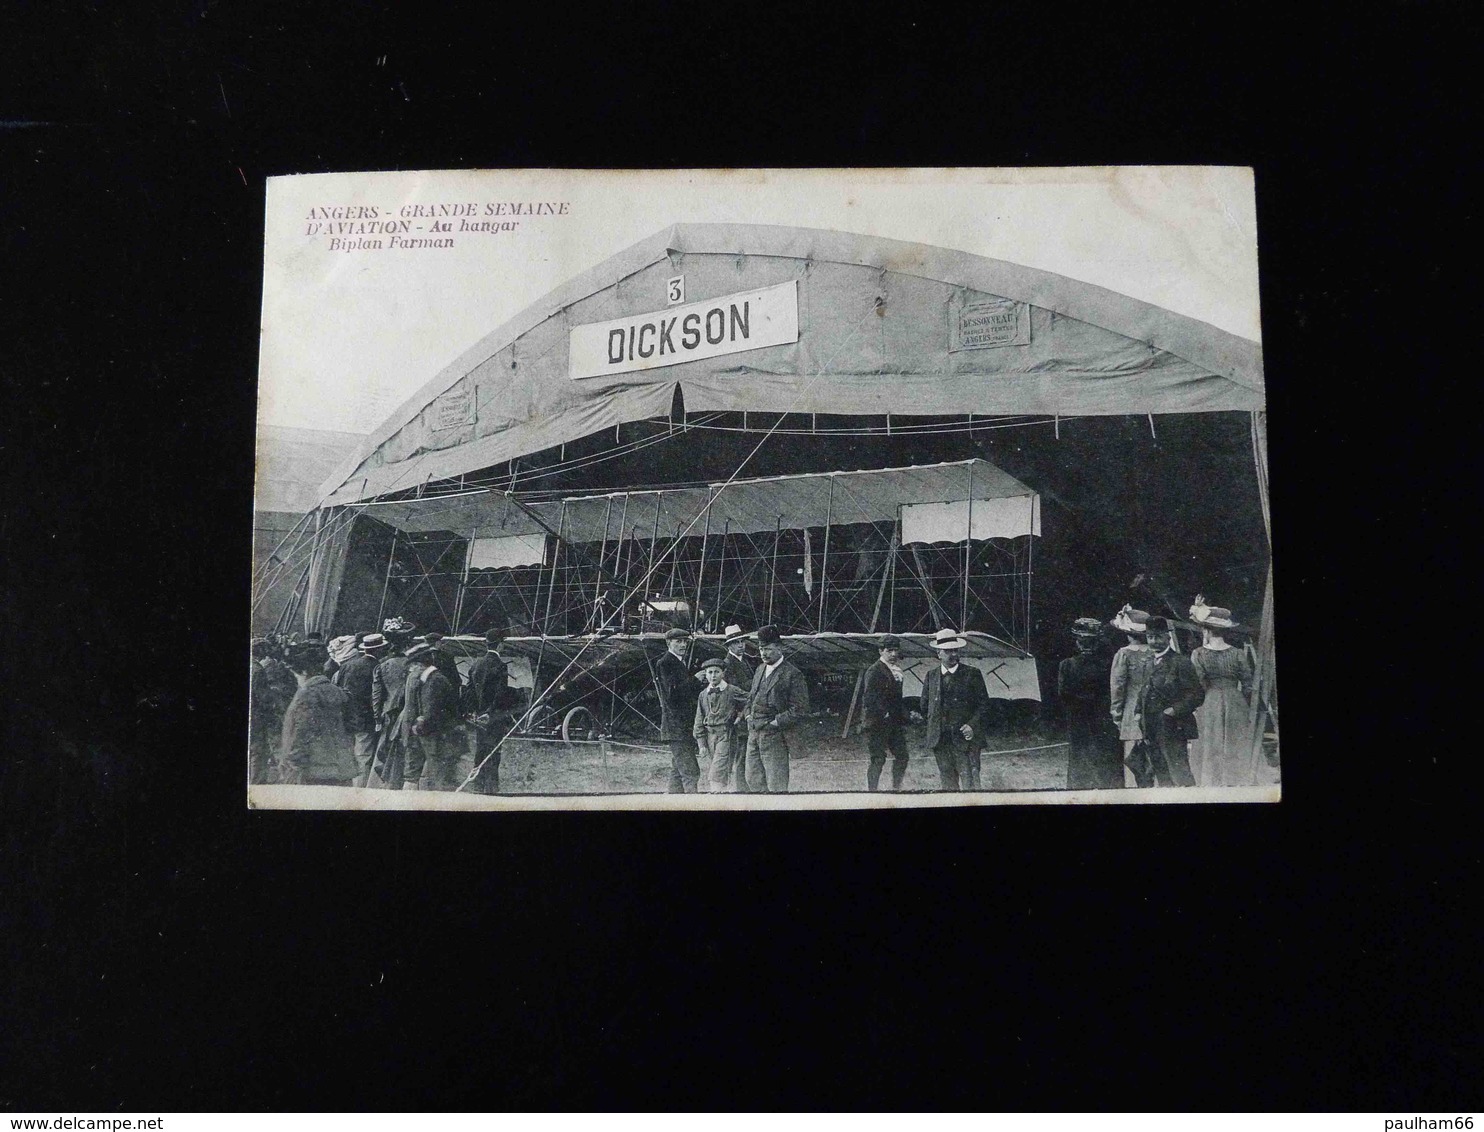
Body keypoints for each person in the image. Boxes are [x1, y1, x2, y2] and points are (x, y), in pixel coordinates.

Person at [1186, 597, 1257, 787]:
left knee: (1211, 740)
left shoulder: (1198, 654)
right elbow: (1248, 683)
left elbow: (1198, 682)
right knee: (1236, 739)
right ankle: (1236, 779)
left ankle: (1212, 780)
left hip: (1210, 699)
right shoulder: (1237, 653)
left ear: (1206, 629)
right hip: (1235, 699)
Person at [1134, 616, 1205, 787]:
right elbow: (1144, 689)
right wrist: (1137, 711)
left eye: (1158, 637)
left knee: (1179, 769)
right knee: (1160, 771)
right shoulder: (1147, 661)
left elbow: (1197, 694)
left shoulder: (1180, 662)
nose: (1154, 641)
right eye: (1150, 637)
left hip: (1173, 725)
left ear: (1168, 637)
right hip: (1150, 724)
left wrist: (1174, 710)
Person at [277, 642, 359, 787]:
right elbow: (353, 725)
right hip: (343, 768)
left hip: (313, 770)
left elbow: (300, 732)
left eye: (296, 675)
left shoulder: (305, 695)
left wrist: (292, 763)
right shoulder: (339, 692)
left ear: (304, 673)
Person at [920, 627, 990, 791]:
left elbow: (984, 705)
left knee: (970, 784)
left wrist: (972, 725)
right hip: (941, 742)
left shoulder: (972, 674)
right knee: (948, 785)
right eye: (948, 651)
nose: (953, 654)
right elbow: (925, 706)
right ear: (939, 653)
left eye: (955, 650)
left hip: (965, 742)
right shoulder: (931, 676)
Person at [1058, 618, 1124, 790]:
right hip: (1103, 717)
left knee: (1080, 760)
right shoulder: (1109, 664)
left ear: (1078, 642)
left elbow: (1063, 695)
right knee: (1106, 761)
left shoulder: (1067, 665)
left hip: (1078, 718)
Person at [743, 625, 810, 793]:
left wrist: (775, 723)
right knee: (753, 779)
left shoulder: (792, 674)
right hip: (753, 734)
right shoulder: (759, 669)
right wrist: (747, 716)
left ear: (780, 648)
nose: (763, 653)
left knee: (776, 784)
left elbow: (800, 709)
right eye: (760, 649)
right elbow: (751, 697)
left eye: (768, 649)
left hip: (775, 737)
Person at [464, 628, 518, 794]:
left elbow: (469, 691)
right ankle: (492, 789)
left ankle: (477, 787)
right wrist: (491, 711)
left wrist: (473, 710)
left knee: (480, 751)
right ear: (500, 645)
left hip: (479, 716)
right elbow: (501, 693)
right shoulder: (500, 666)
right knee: (494, 752)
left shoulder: (476, 664)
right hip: (494, 717)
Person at [403, 641, 462, 791]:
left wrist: (419, 724)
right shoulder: (433, 679)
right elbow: (429, 708)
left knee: (420, 773)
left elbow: (427, 707)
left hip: (422, 731)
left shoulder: (426, 678)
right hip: (428, 733)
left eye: (413, 664)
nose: (411, 669)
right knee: (431, 772)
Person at [1109, 605, 1157, 787]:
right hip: (1154, 707)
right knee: (1153, 754)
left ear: (1128, 634)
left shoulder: (1123, 654)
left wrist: (1116, 714)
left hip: (1131, 709)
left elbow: (1117, 687)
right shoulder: (1156, 653)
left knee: (1133, 757)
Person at [371, 619, 416, 788]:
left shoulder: (382, 665)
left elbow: (376, 696)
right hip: (409, 712)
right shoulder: (412, 664)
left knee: (386, 750)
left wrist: (377, 718)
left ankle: (385, 784)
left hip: (388, 713)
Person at [332, 633, 382, 787]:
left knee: (349, 753)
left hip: (347, 717)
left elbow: (338, 690)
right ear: (378, 650)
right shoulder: (376, 667)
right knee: (364, 756)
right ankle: (359, 789)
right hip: (366, 719)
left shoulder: (347, 665)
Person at [860, 635, 909, 791]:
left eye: (896, 650)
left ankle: (896, 788)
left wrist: (904, 715)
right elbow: (869, 698)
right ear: (881, 651)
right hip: (877, 724)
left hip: (893, 724)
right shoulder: (874, 671)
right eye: (889, 650)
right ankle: (872, 791)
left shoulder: (896, 671)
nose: (894, 654)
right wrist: (884, 712)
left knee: (902, 756)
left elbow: (896, 699)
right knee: (878, 759)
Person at [656, 627, 701, 793]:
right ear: (669, 643)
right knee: (690, 771)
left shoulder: (679, 662)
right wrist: (695, 680)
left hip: (682, 726)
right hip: (677, 726)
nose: (683, 645)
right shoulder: (666, 663)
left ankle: (673, 801)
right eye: (679, 641)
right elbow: (672, 694)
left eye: (685, 641)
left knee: (678, 770)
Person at [693, 657, 742, 792]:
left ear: (723, 673)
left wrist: (741, 714)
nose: (713, 675)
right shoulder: (703, 694)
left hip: (726, 735)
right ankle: (724, 796)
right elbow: (699, 719)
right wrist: (701, 744)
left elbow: (750, 700)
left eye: (716, 672)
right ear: (706, 674)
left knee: (717, 771)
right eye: (710, 672)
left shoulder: (732, 690)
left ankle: (716, 797)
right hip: (710, 738)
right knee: (719, 769)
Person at [249, 639, 291, 785]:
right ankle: (257, 783)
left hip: (252, 714)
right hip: (257, 716)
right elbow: (263, 697)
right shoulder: (258, 669)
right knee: (258, 751)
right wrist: (274, 693)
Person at [721, 624, 757, 793]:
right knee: (740, 752)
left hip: (748, 711)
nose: (741, 645)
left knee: (746, 751)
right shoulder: (727, 664)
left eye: (742, 641)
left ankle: (744, 785)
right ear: (729, 646)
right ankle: (740, 787)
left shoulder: (746, 661)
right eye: (736, 642)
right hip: (738, 714)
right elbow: (733, 690)